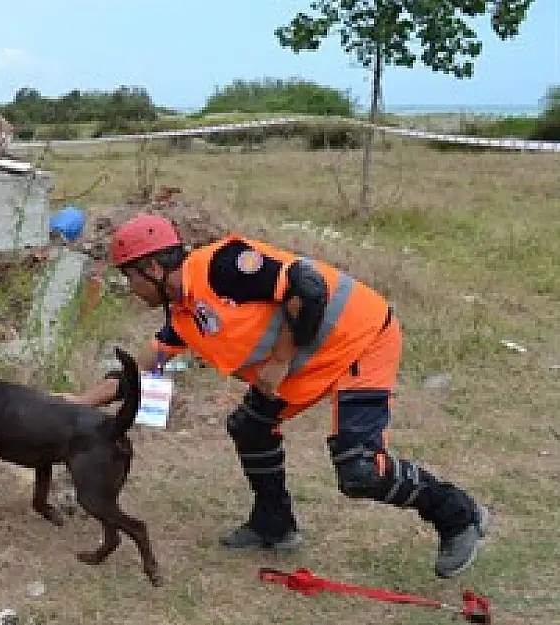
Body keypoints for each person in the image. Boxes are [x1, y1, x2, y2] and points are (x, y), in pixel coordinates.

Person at [58, 213, 492, 579]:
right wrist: (74, 405)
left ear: (151, 268)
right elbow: (138, 371)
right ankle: (274, 524)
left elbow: (306, 286)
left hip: (361, 340)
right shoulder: (183, 314)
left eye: (129, 277)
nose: (130, 289)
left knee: (358, 469)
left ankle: (459, 515)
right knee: (249, 428)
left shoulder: (221, 265)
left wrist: (280, 360)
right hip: (310, 366)